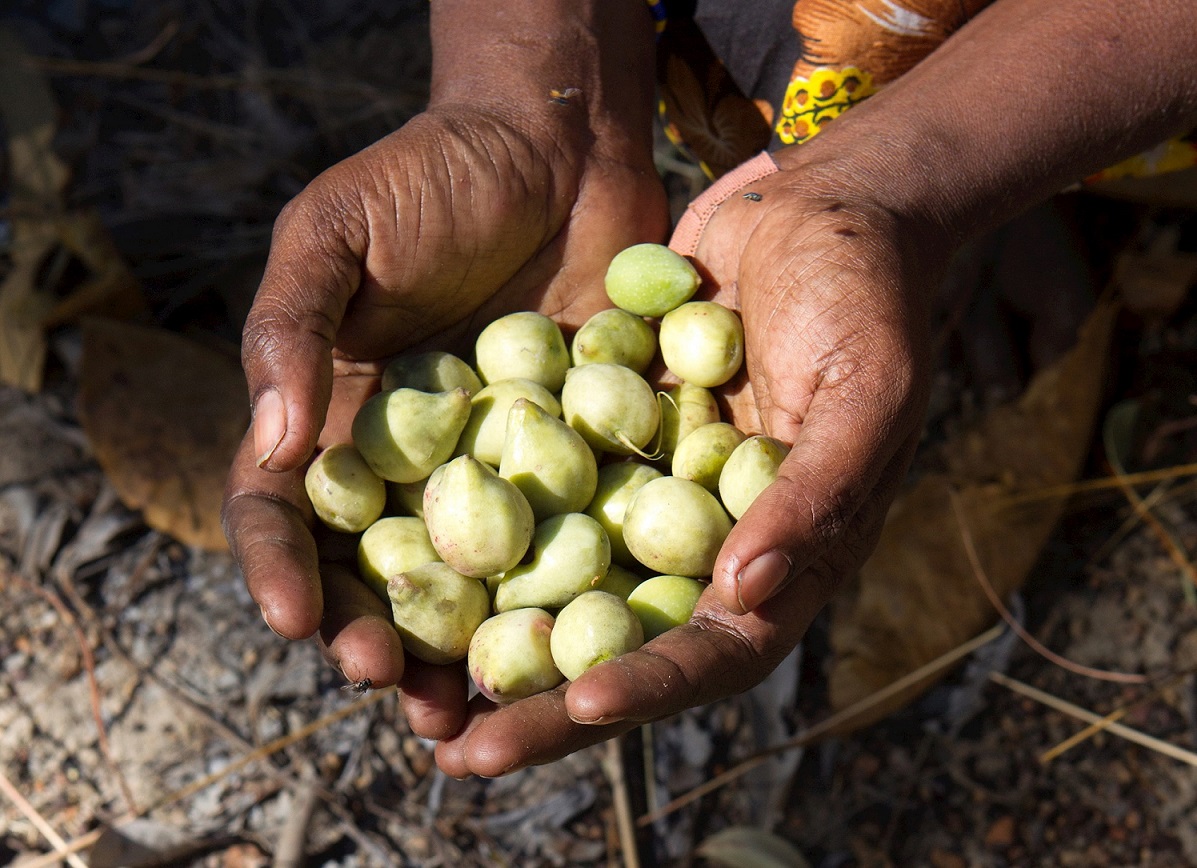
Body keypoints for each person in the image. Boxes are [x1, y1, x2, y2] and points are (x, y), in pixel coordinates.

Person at [221, 0, 1197, 779]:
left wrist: (901, 186)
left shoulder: (535, 434)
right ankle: (962, 174)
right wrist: (538, 90)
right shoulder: (530, 431)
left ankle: (1002, 165)